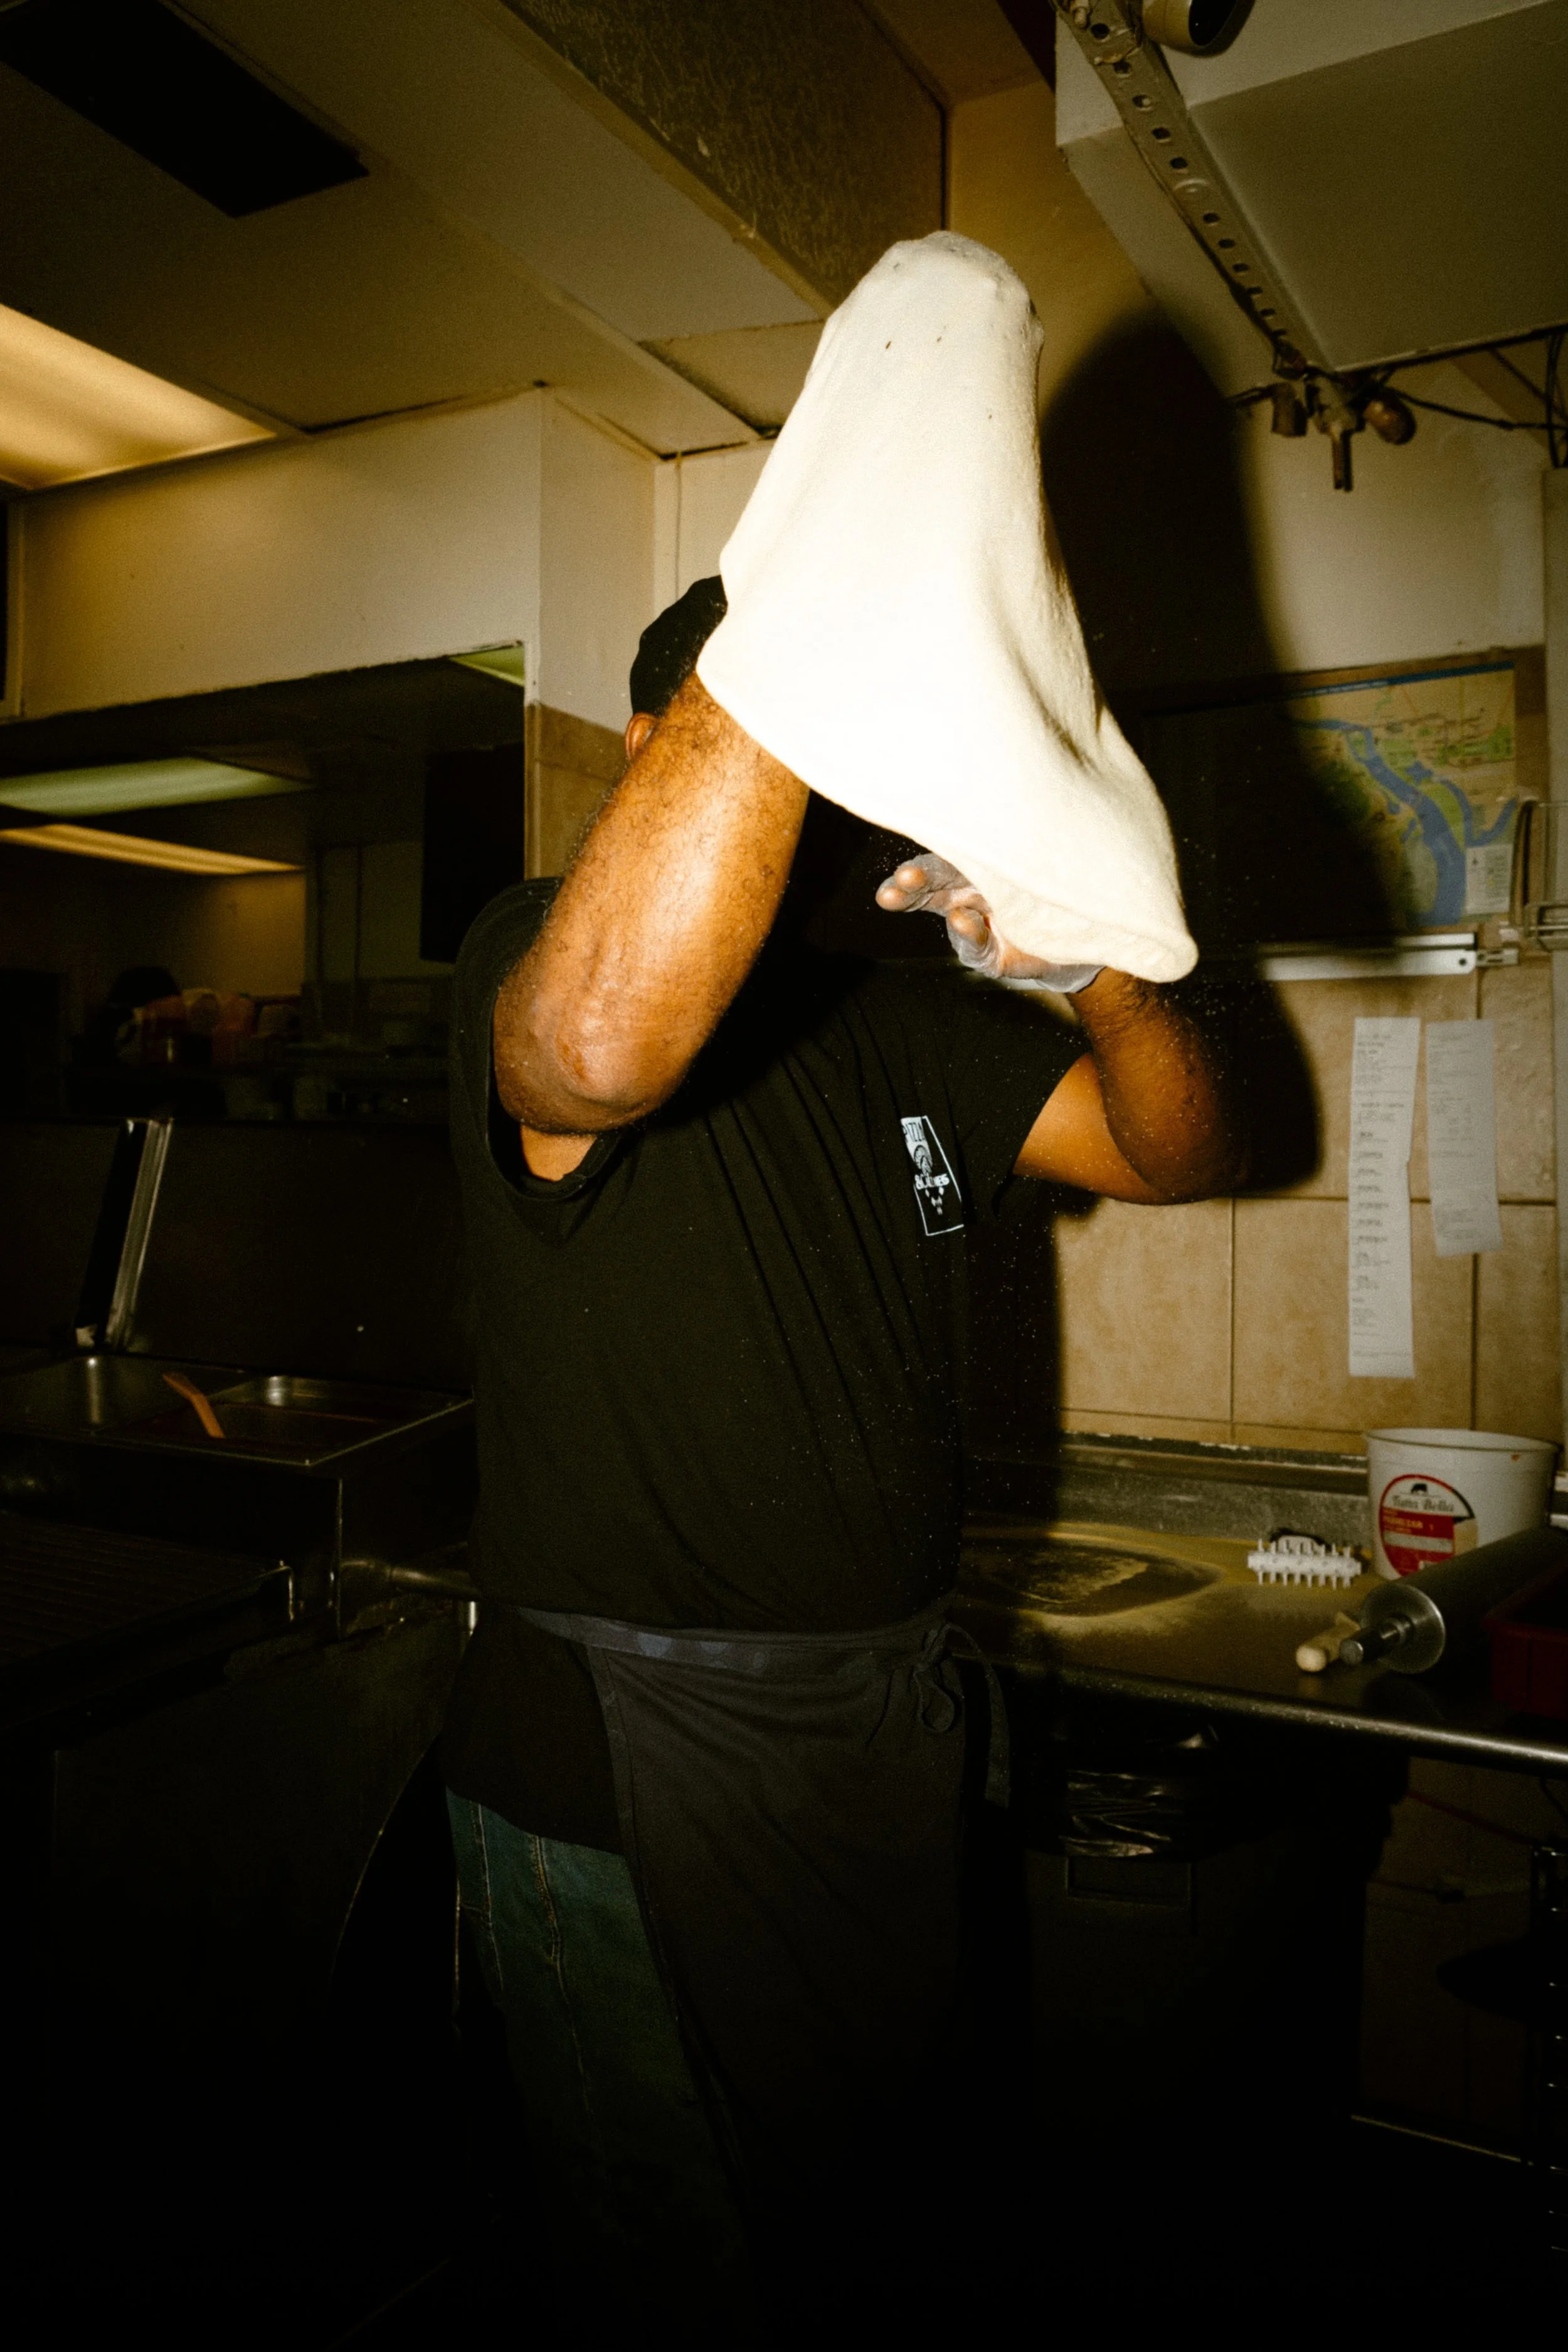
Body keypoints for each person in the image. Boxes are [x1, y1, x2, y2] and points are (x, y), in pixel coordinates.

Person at [438, 577, 1244, 2342]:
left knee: (845, 2241)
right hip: (618, 1777)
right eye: (785, 746)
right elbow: (590, 1051)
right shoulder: (545, 947)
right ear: (664, 754)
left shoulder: (903, 1022)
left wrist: (1084, 933)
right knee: (665, 2267)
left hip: (871, 1746)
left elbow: (1170, 1147)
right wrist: (809, 625)